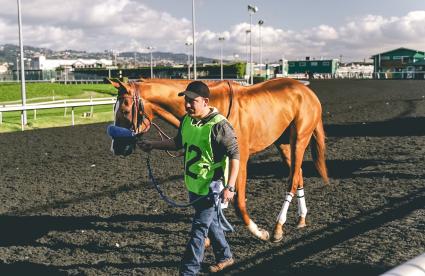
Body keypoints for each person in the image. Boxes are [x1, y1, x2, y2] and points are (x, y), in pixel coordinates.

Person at [138, 81, 240, 275]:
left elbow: (235, 155)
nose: (187, 104)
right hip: (194, 185)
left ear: (205, 101)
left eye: (193, 101)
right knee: (210, 224)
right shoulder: (187, 120)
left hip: (212, 188)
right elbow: (177, 143)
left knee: (199, 230)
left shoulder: (220, 126)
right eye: (186, 100)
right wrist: (152, 144)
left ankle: (188, 271)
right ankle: (225, 257)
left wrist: (231, 187)